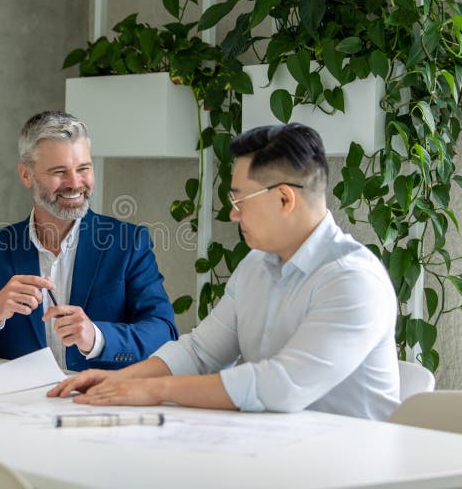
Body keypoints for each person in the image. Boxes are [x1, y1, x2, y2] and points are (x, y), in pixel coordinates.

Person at [48, 123, 401, 420]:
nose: (233, 215)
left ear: (284, 199)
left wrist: (151, 389)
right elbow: (201, 352)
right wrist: (118, 379)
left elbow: (280, 386)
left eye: (239, 201)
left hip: (352, 467)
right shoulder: (256, 265)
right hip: (276, 451)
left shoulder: (352, 280)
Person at [0, 111, 179, 371]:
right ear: (26, 175)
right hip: (23, 406)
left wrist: (97, 337)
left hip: (100, 402)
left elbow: (164, 333)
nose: (75, 183)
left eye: (83, 169)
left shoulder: (129, 243)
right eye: (59, 171)